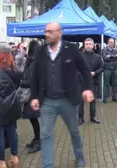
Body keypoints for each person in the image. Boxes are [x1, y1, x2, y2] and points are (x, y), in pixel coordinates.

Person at [30, 22, 94, 168]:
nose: (47, 34)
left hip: (68, 100)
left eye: (51, 32)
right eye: (46, 31)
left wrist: (87, 88)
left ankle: (79, 156)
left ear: (59, 33)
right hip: (47, 101)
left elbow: (84, 70)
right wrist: (34, 96)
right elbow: (35, 76)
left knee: (74, 131)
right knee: (46, 135)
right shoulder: (40, 51)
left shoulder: (70, 49)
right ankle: (48, 165)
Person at [20, 40, 41, 154]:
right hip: (33, 95)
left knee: (33, 117)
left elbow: (33, 82)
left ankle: (38, 141)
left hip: (34, 96)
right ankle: (36, 139)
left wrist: (21, 82)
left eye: (27, 48)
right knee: (33, 118)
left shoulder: (34, 64)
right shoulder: (32, 62)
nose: (26, 50)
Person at [78, 38, 103, 125]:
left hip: (93, 82)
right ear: (84, 45)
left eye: (90, 44)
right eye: (86, 44)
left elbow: (102, 67)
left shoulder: (98, 57)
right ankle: (80, 118)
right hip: (81, 82)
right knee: (80, 101)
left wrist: (95, 73)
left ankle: (92, 117)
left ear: (93, 45)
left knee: (92, 100)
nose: (88, 45)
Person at [102, 38, 117, 103]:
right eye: (110, 42)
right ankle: (105, 98)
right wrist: (114, 56)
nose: (112, 43)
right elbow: (104, 58)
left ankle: (114, 97)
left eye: (113, 42)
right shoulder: (104, 49)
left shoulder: (116, 50)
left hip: (115, 69)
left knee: (114, 84)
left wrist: (110, 56)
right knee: (106, 84)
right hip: (107, 69)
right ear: (108, 43)